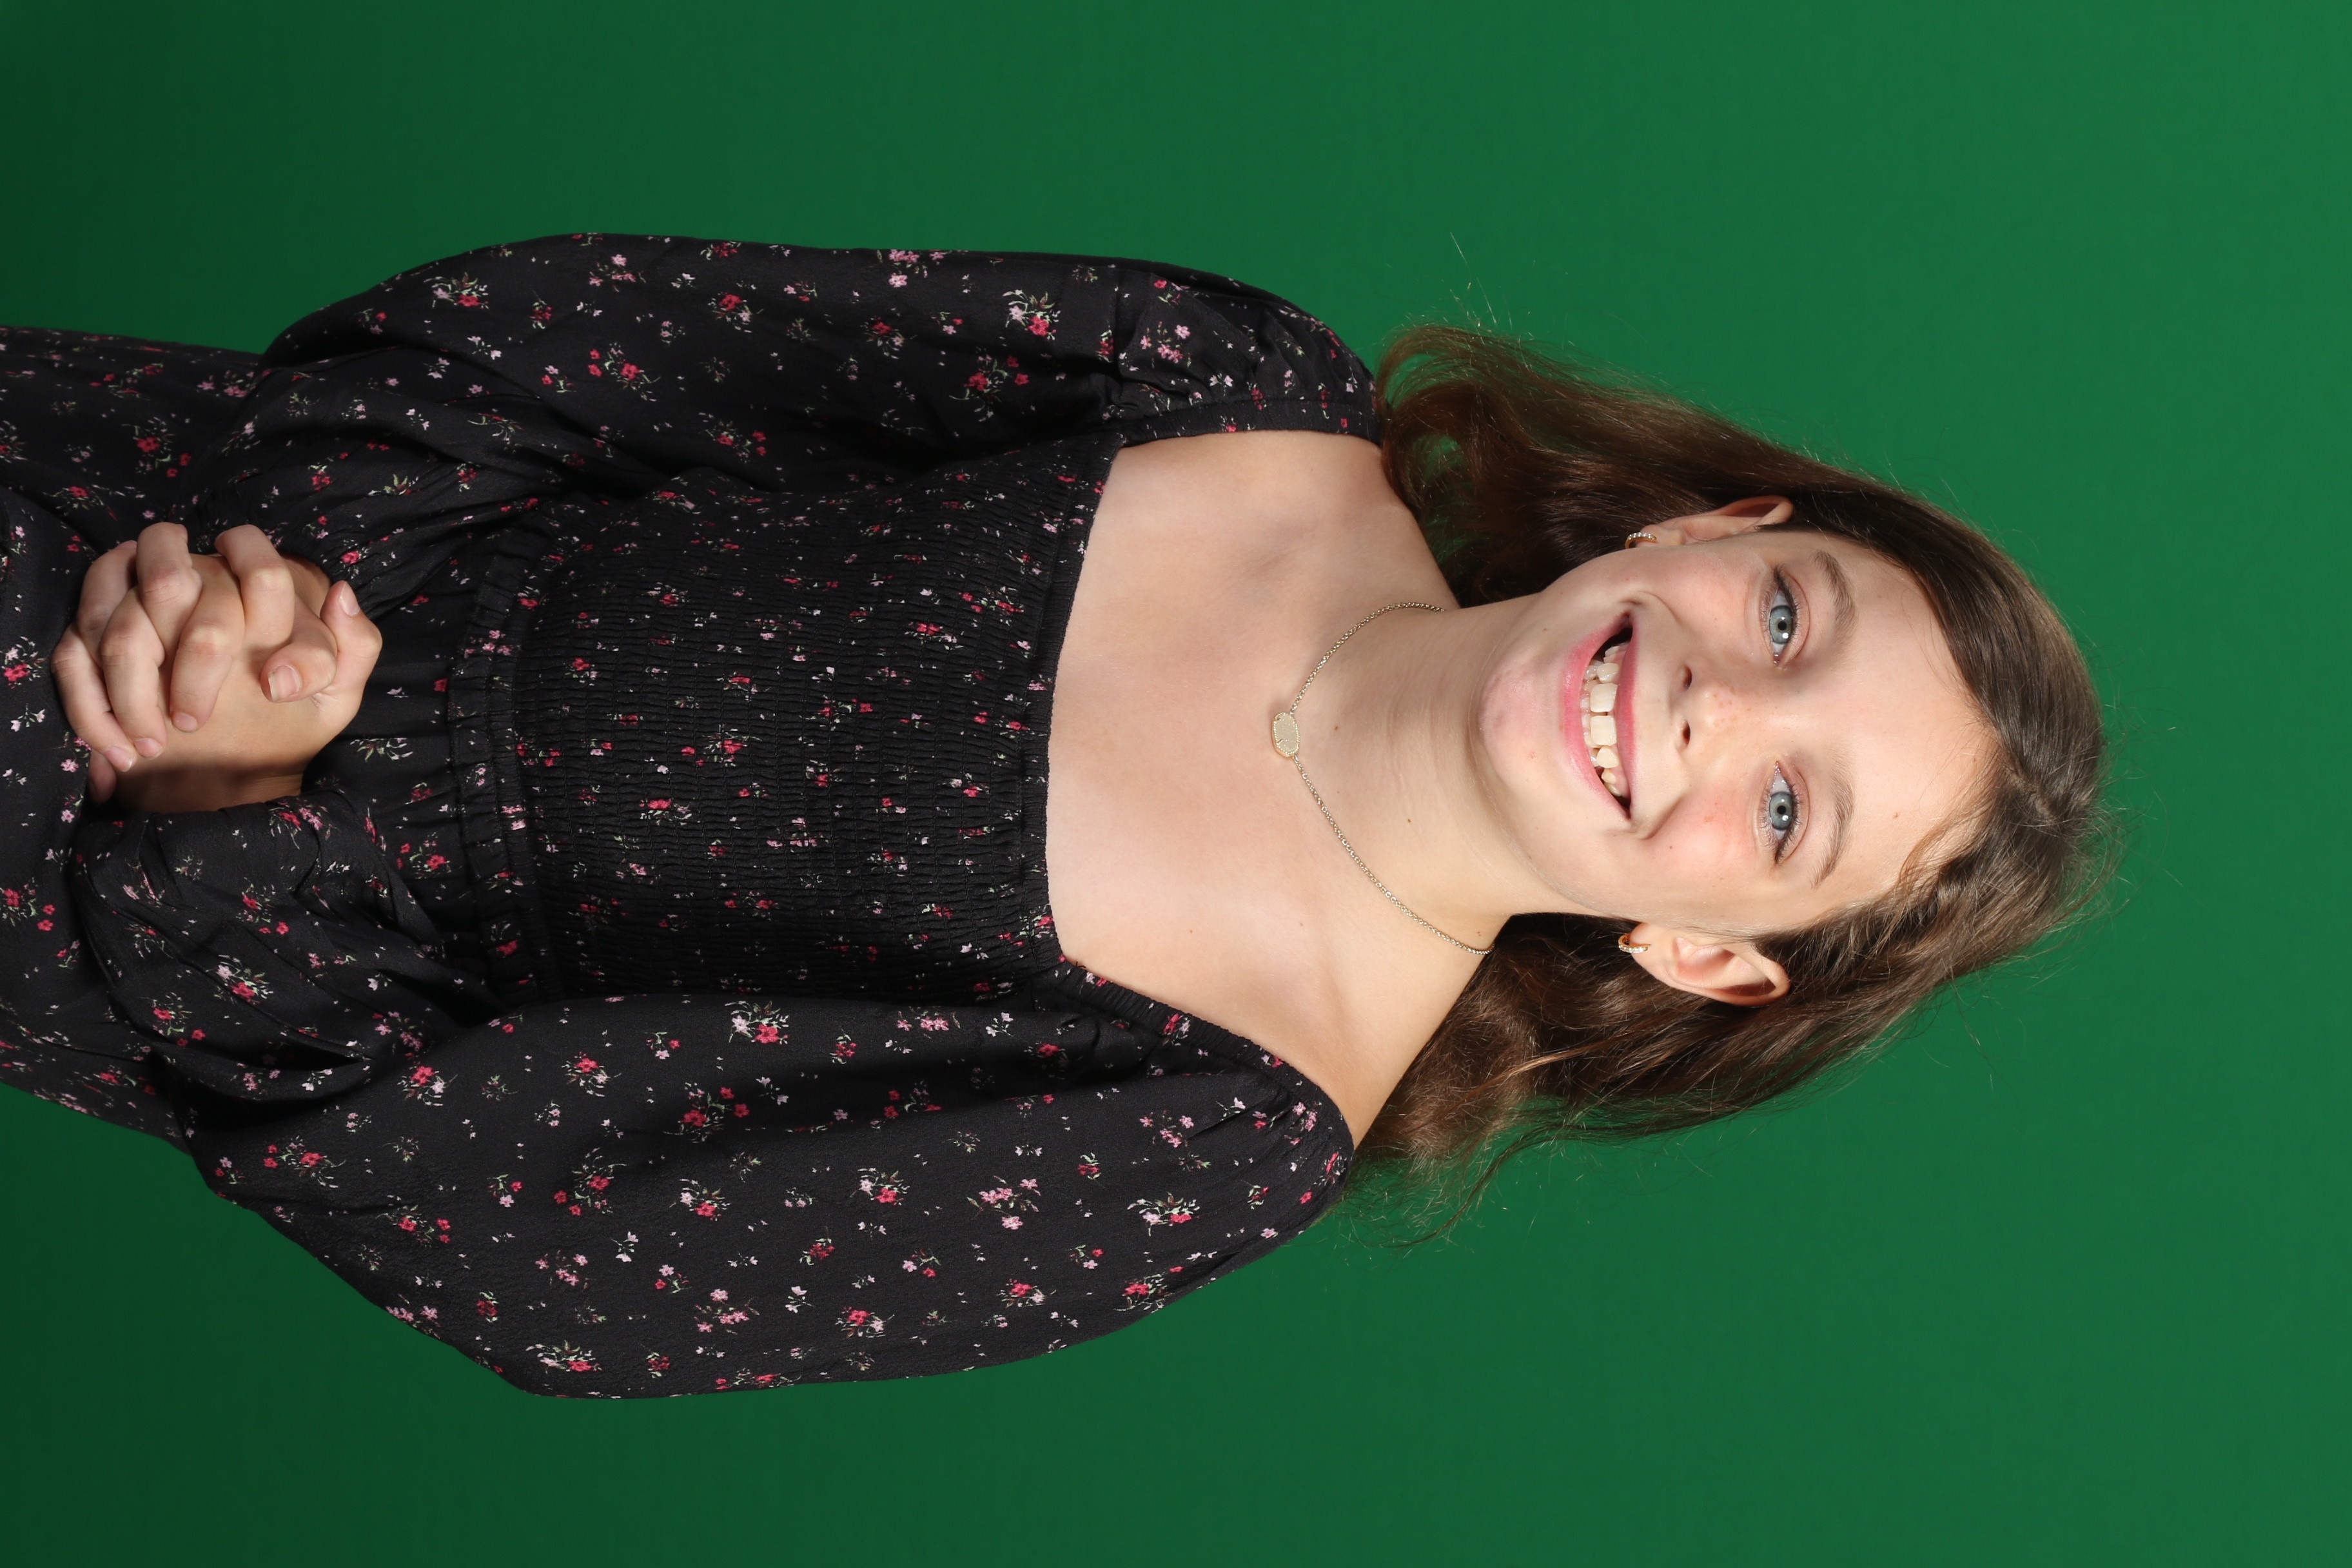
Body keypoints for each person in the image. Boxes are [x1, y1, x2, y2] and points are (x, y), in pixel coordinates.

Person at [0, 235, 2106, 1396]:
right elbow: (597, 340)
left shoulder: (1201, 1127)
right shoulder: (1232, 388)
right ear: (1714, 524)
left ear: (1712, 958)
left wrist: (224, 799)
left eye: (1787, 806)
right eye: (1788, 613)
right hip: (137, 488)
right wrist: (270, 570)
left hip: (72, 861)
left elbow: (514, 1242)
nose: (1721, 699)